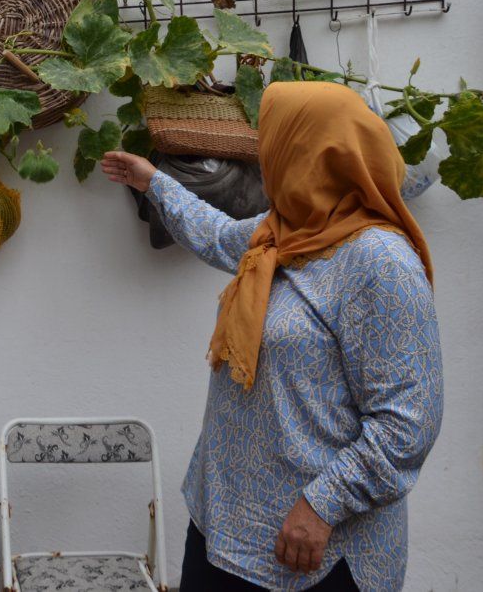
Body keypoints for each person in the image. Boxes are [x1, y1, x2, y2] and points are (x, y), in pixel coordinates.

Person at [101, 81, 443, 592]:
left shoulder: (381, 263)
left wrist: (322, 505)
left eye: (274, 139)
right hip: (224, 519)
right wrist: (155, 183)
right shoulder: (286, 227)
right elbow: (220, 237)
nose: (265, 154)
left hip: (311, 548)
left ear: (310, 152)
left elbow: (407, 423)